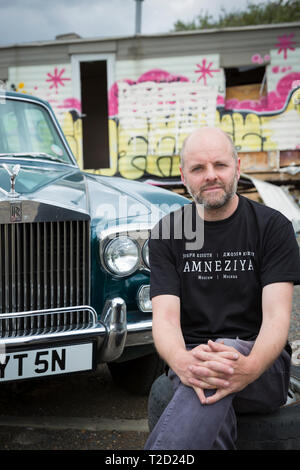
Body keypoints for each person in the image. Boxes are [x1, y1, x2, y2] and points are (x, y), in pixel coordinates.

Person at [144, 127, 300, 450]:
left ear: (238, 168)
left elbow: (276, 319)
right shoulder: (168, 234)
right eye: (198, 168)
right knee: (207, 389)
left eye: (220, 165)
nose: (211, 176)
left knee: (217, 363)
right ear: (183, 176)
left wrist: (250, 367)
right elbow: (165, 321)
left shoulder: (272, 228)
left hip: (263, 368)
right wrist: (181, 361)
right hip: (191, 364)